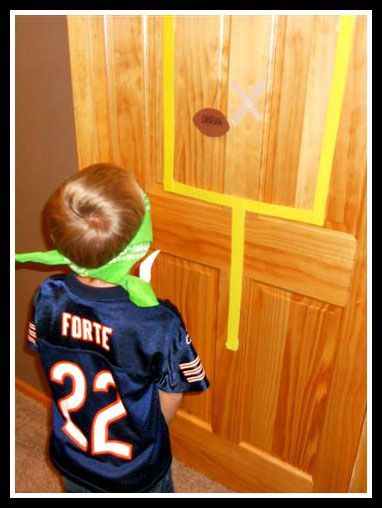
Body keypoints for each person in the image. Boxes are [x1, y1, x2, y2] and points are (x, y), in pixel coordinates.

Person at [16, 163, 209, 493]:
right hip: (137, 470)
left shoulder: (47, 297)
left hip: (74, 460)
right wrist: (152, 431)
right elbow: (170, 396)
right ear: (139, 243)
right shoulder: (157, 322)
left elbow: (47, 357)